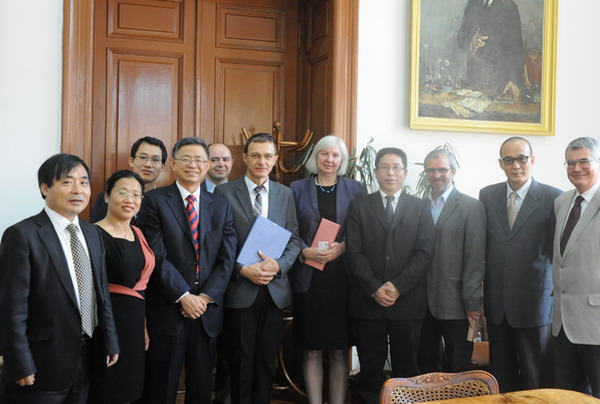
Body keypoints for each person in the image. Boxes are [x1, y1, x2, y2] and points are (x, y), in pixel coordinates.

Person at [0, 153, 119, 403]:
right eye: (67, 182)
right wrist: (18, 360)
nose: (78, 190)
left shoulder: (93, 233)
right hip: (41, 362)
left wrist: (110, 340)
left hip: (88, 356)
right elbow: (12, 307)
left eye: (84, 182)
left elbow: (101, 294)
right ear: (45, 188)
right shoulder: (22, 235)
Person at [136, 137, 237, 404]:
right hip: (168, 307)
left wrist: (204, 298)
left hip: (206, 312)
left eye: (199, 160)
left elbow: (226, 259)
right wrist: (183, 296)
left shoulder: (221, 205)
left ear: (207, 166)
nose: (193, 165)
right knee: (162, 387)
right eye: (186, 159)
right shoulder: (154, 201)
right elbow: (156, 255)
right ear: (173, 163)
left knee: (202, 387)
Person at [214, 133, 300, 404]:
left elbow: (294, 240)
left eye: (267, 156)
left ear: (275, 159)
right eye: (256, 155)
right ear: (245, 158)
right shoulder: (225, 193)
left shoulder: (286, 194)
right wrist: (242, 270)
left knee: (266, 360)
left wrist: (279, 265)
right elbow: (217, 244)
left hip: (274, 291)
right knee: (240, 360)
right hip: (240, 288)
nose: (262, 161)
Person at [345, 147, 434, 404]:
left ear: (405, 172)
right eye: (384, 167)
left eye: (396, 167)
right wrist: (375, 288)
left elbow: (424, 253)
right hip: (368, 302)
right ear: (376, 172)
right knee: (370, 371)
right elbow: (354, 252)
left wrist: (397, 286)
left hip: (407, 303)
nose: (390, 173)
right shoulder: (360, 206)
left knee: (408, 370)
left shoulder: (420, 207)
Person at [479, 137, 561, 392]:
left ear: (532, 160)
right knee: (500, 376)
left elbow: (557, 254)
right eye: (509, 160)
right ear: (501, 163)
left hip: (534, 304)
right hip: (498, 305)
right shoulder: (487, 195)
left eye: (522, 158)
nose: (516, 165)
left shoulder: (553, 198)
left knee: (535, 376)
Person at [290, 135, 362, 404]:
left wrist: (343, 247)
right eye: (324, 154)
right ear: (315, 157)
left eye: (335, 155)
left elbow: (363, 229)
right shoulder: (296, 188)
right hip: (309, 279)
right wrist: (304, 250)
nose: (329, 159)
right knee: (311, 350)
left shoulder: (355, 189)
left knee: (339, 350)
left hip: (342, 280)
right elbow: (289, 228)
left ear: (341, 160)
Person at [88, 170, 155, 403]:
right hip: (106, 325)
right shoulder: (93, 234)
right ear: (107, 196)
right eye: (123, 193)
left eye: (136, 195)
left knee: (130, 391)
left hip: (134, 326)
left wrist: (143, 327)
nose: (130, 199)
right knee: (106, 391)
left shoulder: (138, 232)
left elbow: (140, 287)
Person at [417, 149, 486, 373]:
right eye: (431, 170)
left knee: (459, 367)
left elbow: (475, 258)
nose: (436, 175)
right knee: (426, 367)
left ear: (453, 171)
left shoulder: (471, 207)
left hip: (457, 302)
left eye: (442, 170)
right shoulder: (417, 206)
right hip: (420, 303)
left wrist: (473, 303)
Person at [552, 137, 600, 397]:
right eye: (570, 163)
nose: (577, 168)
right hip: (563, 323)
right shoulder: (562, 202)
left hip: (596, 323)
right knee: (566, 396)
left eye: (584, 161)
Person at [457, 0, 524, 103]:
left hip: (499, 83)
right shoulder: (473, 3)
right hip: (474, 80)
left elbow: (516, 48)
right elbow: (461, 37)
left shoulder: (509, 7)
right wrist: (472, 41)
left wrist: (513, 80)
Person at [90, 136, 168, 222]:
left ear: (162, 167)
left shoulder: (166, 203)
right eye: (143, 157)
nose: (148, 164)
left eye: (155, 160)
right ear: (131, 161)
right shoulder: (109, 197)